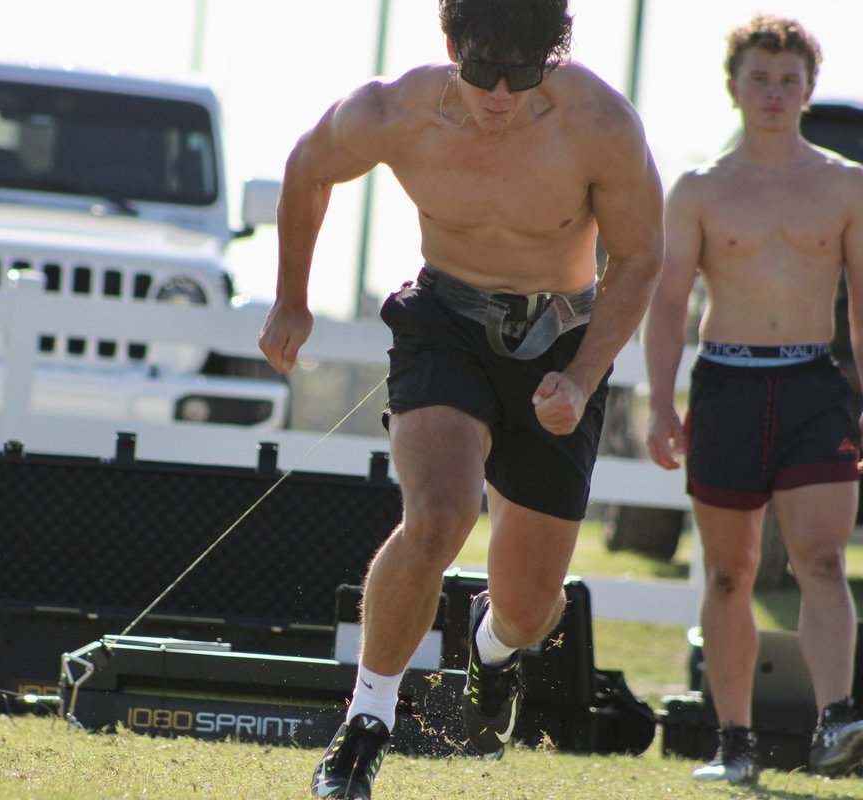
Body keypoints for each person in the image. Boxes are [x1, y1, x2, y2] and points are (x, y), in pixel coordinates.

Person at [257, 1, 663, 796]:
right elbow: (308, 167)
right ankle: (364, 726)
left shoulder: (600, 123)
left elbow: (642, 257)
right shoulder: (394, 111)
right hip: (445, 321)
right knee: (438, 514)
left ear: (554, 58)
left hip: (562, 341)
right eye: (484, 70)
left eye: (526, 72)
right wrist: (291, 298)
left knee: (530, 607)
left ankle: (493, 650)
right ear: (452, 48)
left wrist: (580, 379)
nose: (503, 94)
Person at [644, 14, 863, 785]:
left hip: (812, 384)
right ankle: (732, 742)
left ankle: (836, 718)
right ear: (734, 87)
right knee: (730, 572)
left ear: (809, 88)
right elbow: (669, 303)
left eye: (789, 79)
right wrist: (662, 404)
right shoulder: (700, 188)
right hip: (728, 385)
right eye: (760, 78)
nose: (774, 92)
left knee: (824, 561)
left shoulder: (845, 183)